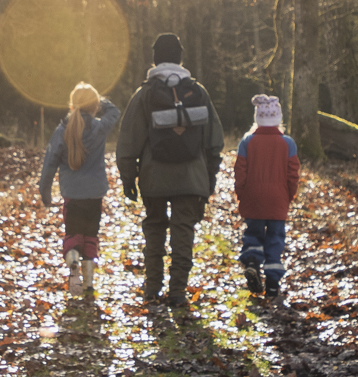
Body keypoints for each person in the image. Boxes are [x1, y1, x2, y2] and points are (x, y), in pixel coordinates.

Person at [114, 33, 227, 310]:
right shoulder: (198, 92)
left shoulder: (144, 94)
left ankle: (152, 288)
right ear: (180, 58)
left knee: (154, 229)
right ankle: (177, 292)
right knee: (183, 232)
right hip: (191, 177)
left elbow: (129, 140)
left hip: (154, 177)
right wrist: (209, 176)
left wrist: (129, 178)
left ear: (155, 59)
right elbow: (214, 140)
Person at [37, 81, 121, 295]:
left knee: (73, 234)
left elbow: (50, 163)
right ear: (94, 106)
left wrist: (45, 192)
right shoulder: (99, 128)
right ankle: (88, 283)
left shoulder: (62, 130)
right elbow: (114, 111)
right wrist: (98, 101)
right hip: (94, 194)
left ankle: (73, 259)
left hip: (72, 195)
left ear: (72, 105)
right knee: (91, 236)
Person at [234, 93, 302, 299]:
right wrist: (289, 195)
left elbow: (240, 171)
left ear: (257, 118)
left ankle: (252, 262)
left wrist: (241, 193)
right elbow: (293, 174)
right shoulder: (288, 143)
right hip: (278, 199)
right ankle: (272, 284)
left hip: (253, 196)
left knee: (253, 234)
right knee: (275, 239)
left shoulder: (247, 141)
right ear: (278, 118)